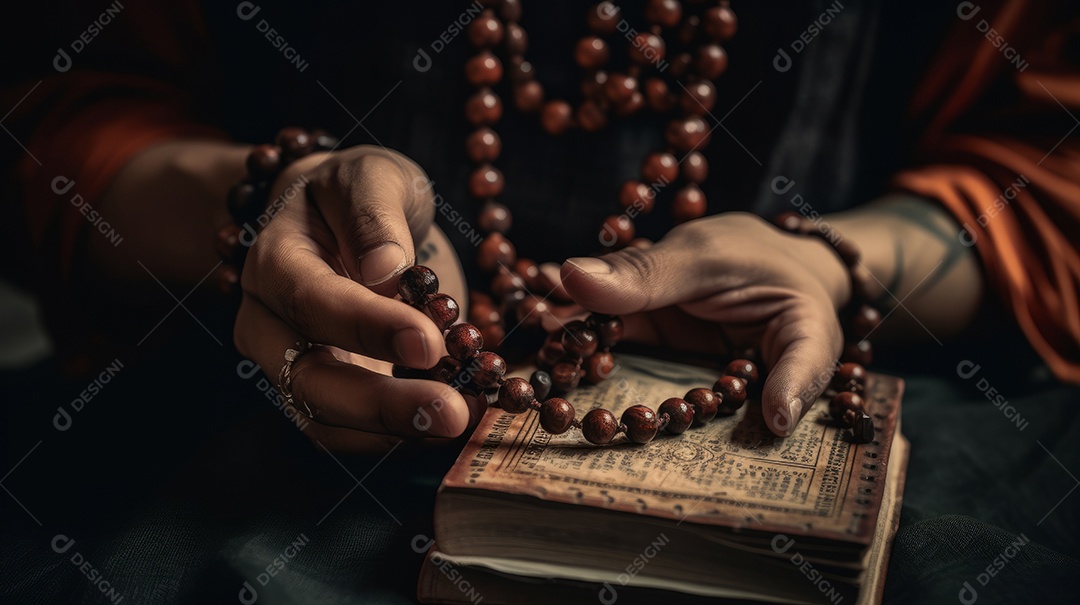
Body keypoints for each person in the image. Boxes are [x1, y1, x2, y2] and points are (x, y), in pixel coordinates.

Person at [1, 1, 1078, 603]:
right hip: (255, 420)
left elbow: (1051, 173)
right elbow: (53, 120)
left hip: (876, 396)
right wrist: (259, 206)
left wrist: (837, 263)